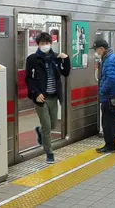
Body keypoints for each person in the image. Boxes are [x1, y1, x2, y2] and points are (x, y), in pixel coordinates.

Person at [26, 32, 71, 164]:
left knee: (52, 124)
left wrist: (66, 59)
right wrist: (35, 93)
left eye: (47, 43)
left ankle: (39, 131)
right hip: (41, 97)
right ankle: (49, 153)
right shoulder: (33, 59)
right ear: (38, 45)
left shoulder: (56, 57)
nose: (45, 46)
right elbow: (28, 78)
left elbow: (65, 73)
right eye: (42, 43)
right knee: (46, 126)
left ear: (51, 43)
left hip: (53, 97)